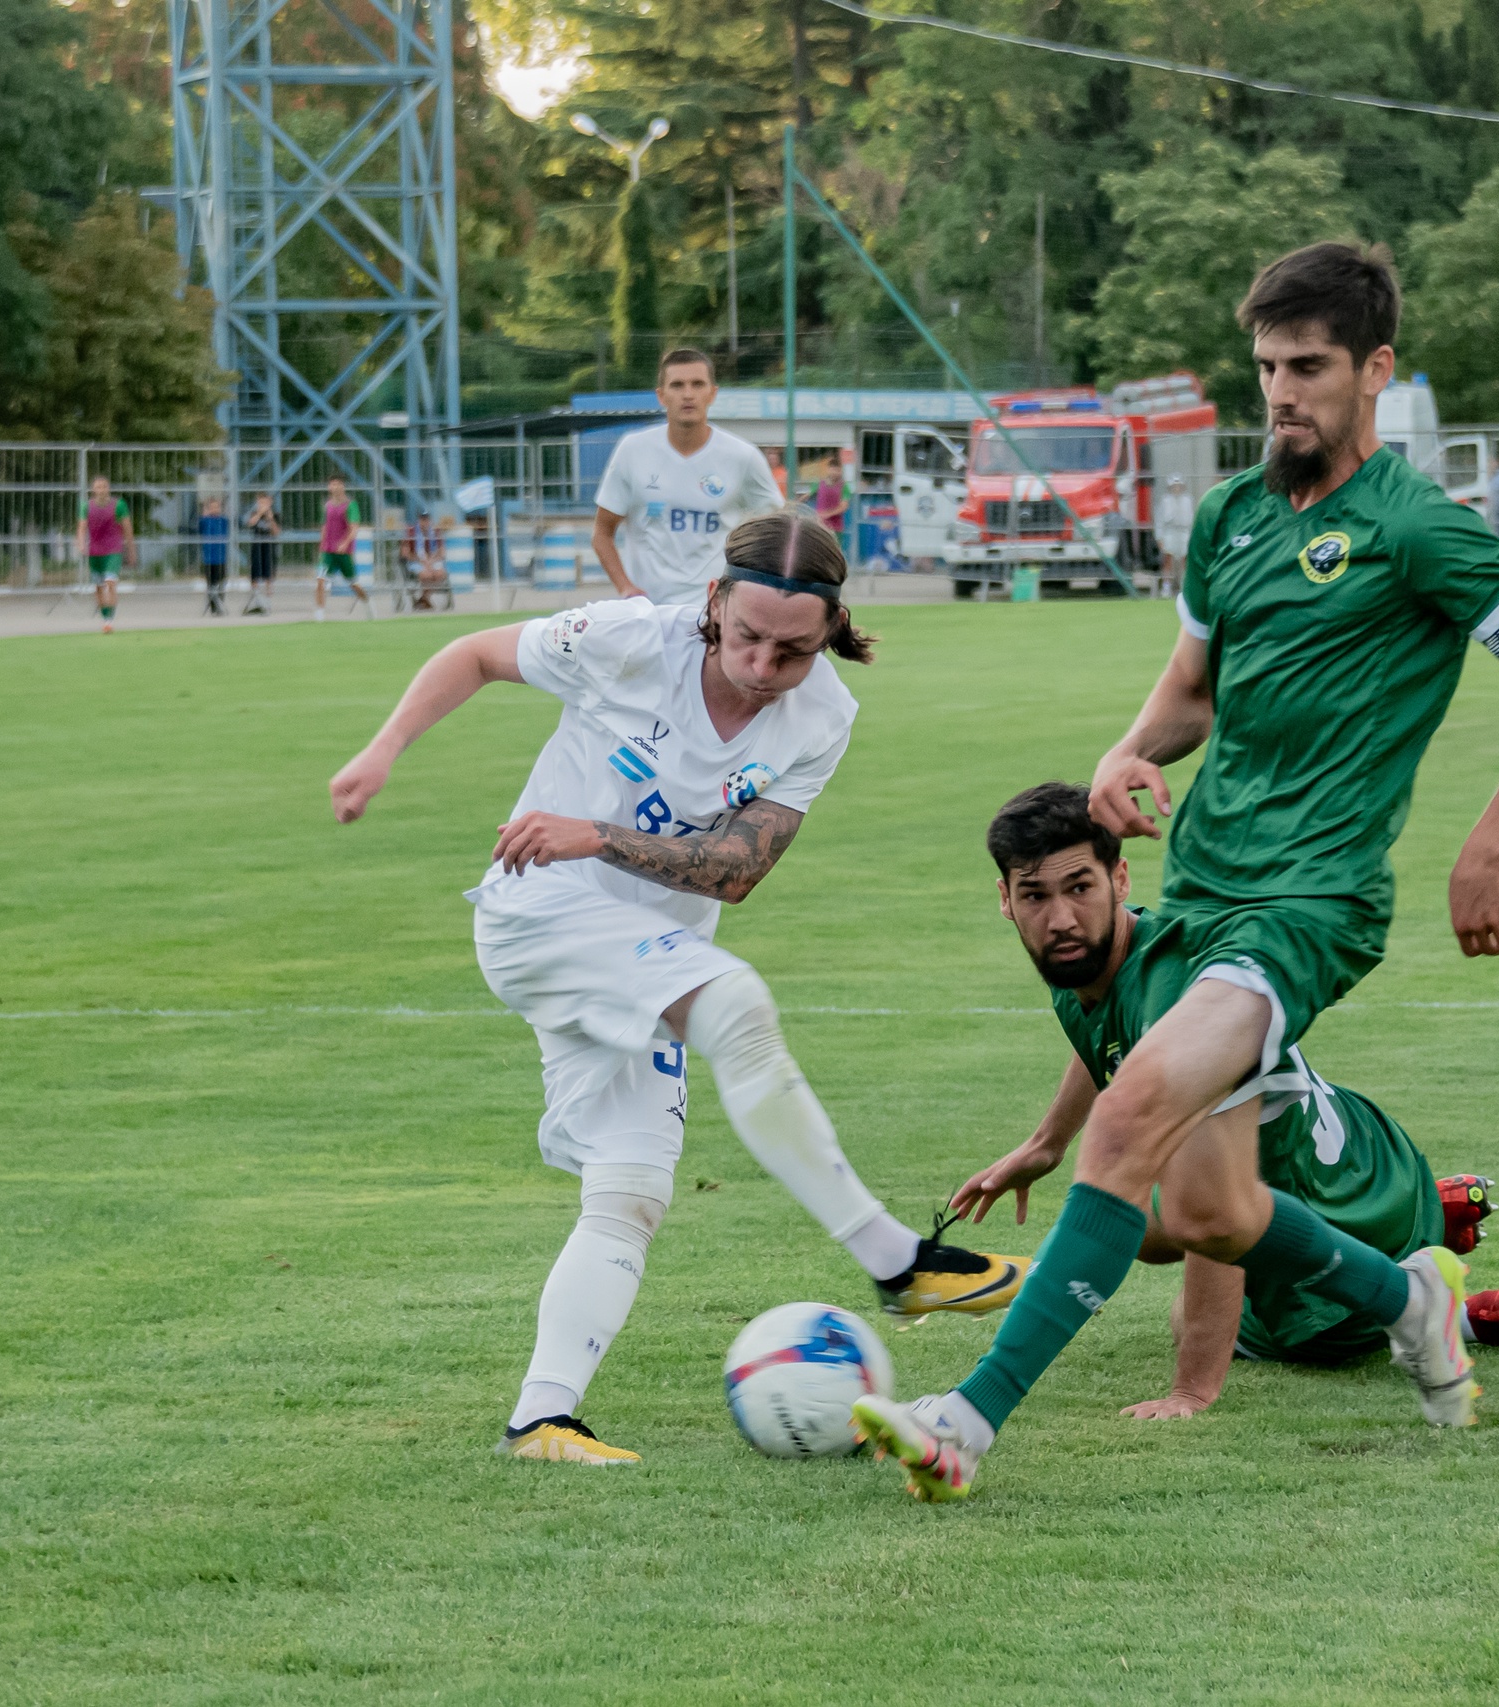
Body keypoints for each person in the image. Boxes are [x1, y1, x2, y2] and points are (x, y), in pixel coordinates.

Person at [849, 240, 1499, 1502]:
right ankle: (1410, 1299)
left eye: (1307, 368)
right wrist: (1124, 750)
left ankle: (965, 1422)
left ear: (1374, 371)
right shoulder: (1233, 518)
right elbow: (1189, 695)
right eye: (1265, 368)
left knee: (1135, 1106)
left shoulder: (1417, 527)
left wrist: (1489, 847)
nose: (1282, 395)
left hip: (1308, 905)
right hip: (1198, 892)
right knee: (1209, 1212)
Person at [326, 510, 1027, 1467]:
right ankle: (895, 1260)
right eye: (746, 637)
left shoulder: (824, 714)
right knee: (736, 1004)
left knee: (631, 1186)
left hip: (644, 951)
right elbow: (476, 653)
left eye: (792, 649)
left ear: (829, 631)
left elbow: (737, 869)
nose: (762, 666)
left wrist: (598, 832)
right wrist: (382, 750)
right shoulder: (628, 640)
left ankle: (542, 1419)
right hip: (541, 916)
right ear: (713, 604)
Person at [948, 783, 1499, 1425]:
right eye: (1036, 894)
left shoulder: (1166, 990)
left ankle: (1465, 1308)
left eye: (1078, 888)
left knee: (1207, 1301)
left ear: (1119, 878)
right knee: (1143, 1224)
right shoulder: (1107, 955)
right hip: (1367, 1153)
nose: (1060, 916)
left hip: (1339, 1203)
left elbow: (1212, 1221)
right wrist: (1046, 1145)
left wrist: (1193, 1390)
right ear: (1006, 899)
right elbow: (1107, 1042)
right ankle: (1431, 1215)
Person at [591, 349, 784, 607]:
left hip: (716, 612)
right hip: (649, 612)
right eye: (677, 385)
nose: (688, 394)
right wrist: (626, 589)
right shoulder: (633, 450)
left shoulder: (743, 457)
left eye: (697, 384)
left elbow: (778, 533)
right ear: (661, 396)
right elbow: (602, 533)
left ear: (712, 393)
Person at [74, 475, 134, 634]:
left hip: (113, 550)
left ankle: (109, 621)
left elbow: (127, 528)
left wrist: (131, 549)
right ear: (93, 490)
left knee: (110, 582)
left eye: (104, 486)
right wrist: (80, 543)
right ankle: (105, 616)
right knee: (99, 587)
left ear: (108, 488)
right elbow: (81, 527)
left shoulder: (119, 505)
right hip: (95, 551)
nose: (101, 490)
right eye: (98, 487)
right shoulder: (86, 506)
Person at [315, 476, 369, 621]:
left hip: (343, 552)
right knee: (320, 580)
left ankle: (368, 604)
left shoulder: (350, 505)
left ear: (343, 486)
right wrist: (321, 546)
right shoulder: (326, 506)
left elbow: (354, 527)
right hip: (328, 551)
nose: (335, 487)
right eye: (333, 484)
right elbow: (324, 527)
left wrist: (345, 543)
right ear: (329, 487)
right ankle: (319, 615)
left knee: (353, 584)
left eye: (338, 484)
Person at [1154, 473, 1196, 594]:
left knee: (1185, 560)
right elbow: (1159, 519)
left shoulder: (1188, 500)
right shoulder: (1164, 501)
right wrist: (1159, 537)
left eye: (1178, 486)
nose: (1176, 488)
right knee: (1168, 559)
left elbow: (1192, 519)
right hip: (1169, 533)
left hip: (1184, 533)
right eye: (1174, 486)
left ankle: (1185, 585)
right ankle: (1166, 586)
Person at [241, 491, 280, 615]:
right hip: (256, 548)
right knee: (255, 573)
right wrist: (259, 513)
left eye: (265, 502)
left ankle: (268, 600)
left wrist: (270, 518)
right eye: (260, 502)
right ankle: (256, 598)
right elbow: (250, 523)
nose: (263, 504)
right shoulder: (254, 513)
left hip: (269, 548)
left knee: (269, 574)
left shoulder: (275, 515)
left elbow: (276, 532)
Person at [407, 507, 448, 611]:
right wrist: (421, 561)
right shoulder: (411, 532)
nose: (425, 522)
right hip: (417, 560)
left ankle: (423, 599)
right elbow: (405, 552)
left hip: (433, 559)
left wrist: (431, 560)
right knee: (426, 575)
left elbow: (441, 551)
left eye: (427, 519)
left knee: (440, 574)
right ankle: (425, 600)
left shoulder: (435, 532)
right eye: (422, 519)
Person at [197, 495, 230, 617]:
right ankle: (213, 607)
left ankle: (220, 603)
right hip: (209, 558)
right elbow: (199, 528)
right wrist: (204, 514)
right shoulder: (204, 521)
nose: (214, 509)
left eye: (217, 507)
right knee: (211, 583)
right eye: (212, 507)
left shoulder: (223, 520)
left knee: (221, 582)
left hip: (221, 557)